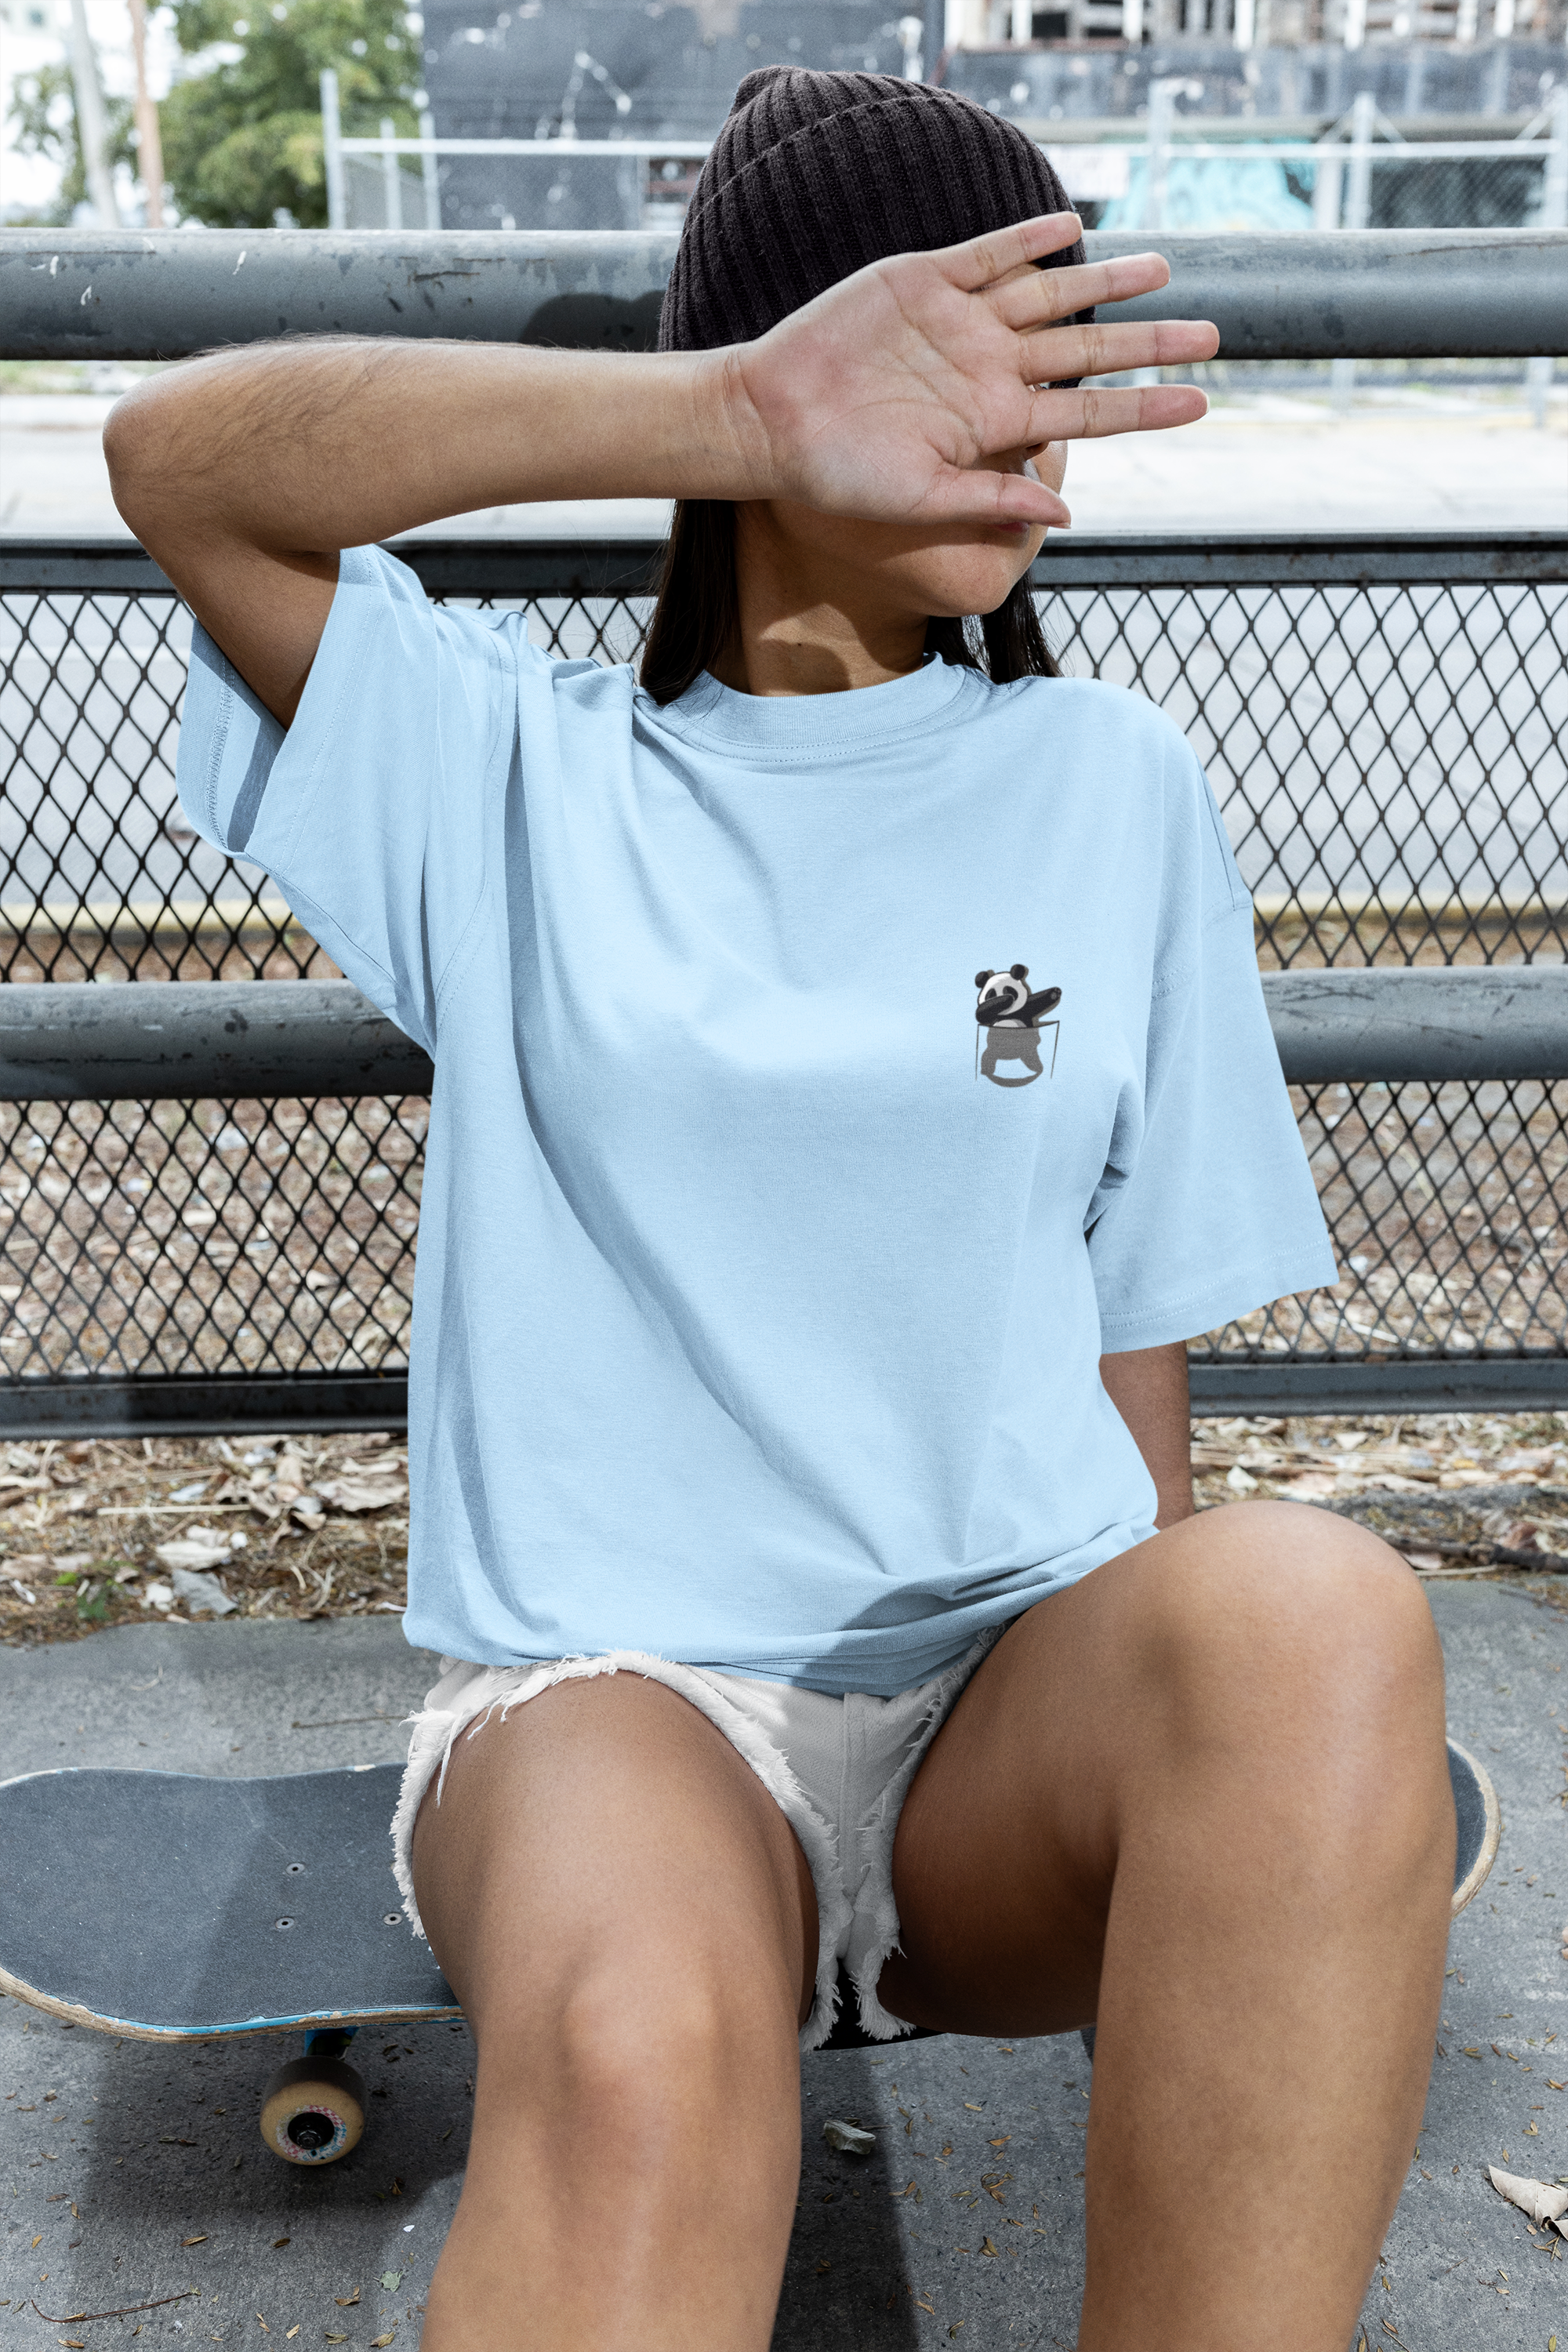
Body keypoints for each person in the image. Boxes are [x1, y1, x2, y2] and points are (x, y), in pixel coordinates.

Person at [106, 67, 1454, 2352]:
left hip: (989, 1733)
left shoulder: (1113, 790)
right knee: (642, 2047)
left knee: (1321, 1623)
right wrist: (729, 406)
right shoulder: (506, 767)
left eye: (1060, 383)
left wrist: (1185, 1799)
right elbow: (185, 465)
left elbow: (1138, 1356)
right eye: (966, 370)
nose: (1034, 443)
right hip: (623, 1699)